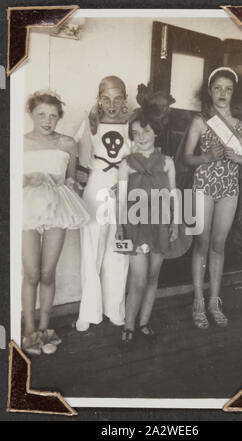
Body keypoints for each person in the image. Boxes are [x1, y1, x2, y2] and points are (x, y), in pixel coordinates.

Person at [184, 67, 242, 329]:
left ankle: (214, 301)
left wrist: (238, 158)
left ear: (234, 92)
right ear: (209, 90)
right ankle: (197, 300)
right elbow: (185, 158)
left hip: (229, 187)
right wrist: (207, 157)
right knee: (202, 244)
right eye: (218, 87)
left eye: (228, 88)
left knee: (219, 245)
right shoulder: (200, 121)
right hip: (204, 185)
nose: (223, 93)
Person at [22, 90, 90, 355]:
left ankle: (45, 327)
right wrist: (29, 179)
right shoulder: (21, 142)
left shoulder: (67, 143)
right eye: (41, 115)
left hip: (57, 208)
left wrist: (67, 182)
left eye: (53, 116)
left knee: (48, 273)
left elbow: (71, 180)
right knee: (31, 273)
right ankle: (29, 330)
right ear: (31, 114)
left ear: (60, 117)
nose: (47, 120)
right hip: (28, 208)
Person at [116, 108, 178, 344]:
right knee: (139, 278)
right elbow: (121, 198)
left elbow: (173, 196)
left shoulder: (167, 163)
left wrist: (174, 222)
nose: (140, 137)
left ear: (156, 133)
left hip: (160, 225)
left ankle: (143, 322)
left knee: (153, 277)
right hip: (136, 226)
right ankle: (129, 324)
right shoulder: (127, 164)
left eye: (146, 131)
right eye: (135, 133)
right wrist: (120, 225)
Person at [75, 76, 131, 332]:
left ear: (125, 99)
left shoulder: (132, 125)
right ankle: (88, 311)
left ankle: (115, 309)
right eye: (106, 98)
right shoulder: (90, 124)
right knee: (92, 249)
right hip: (97, 186)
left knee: (118, 250)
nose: (111, 104)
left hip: (123, 188)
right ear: (99, 99)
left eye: (117, 98)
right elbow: (82, 163)